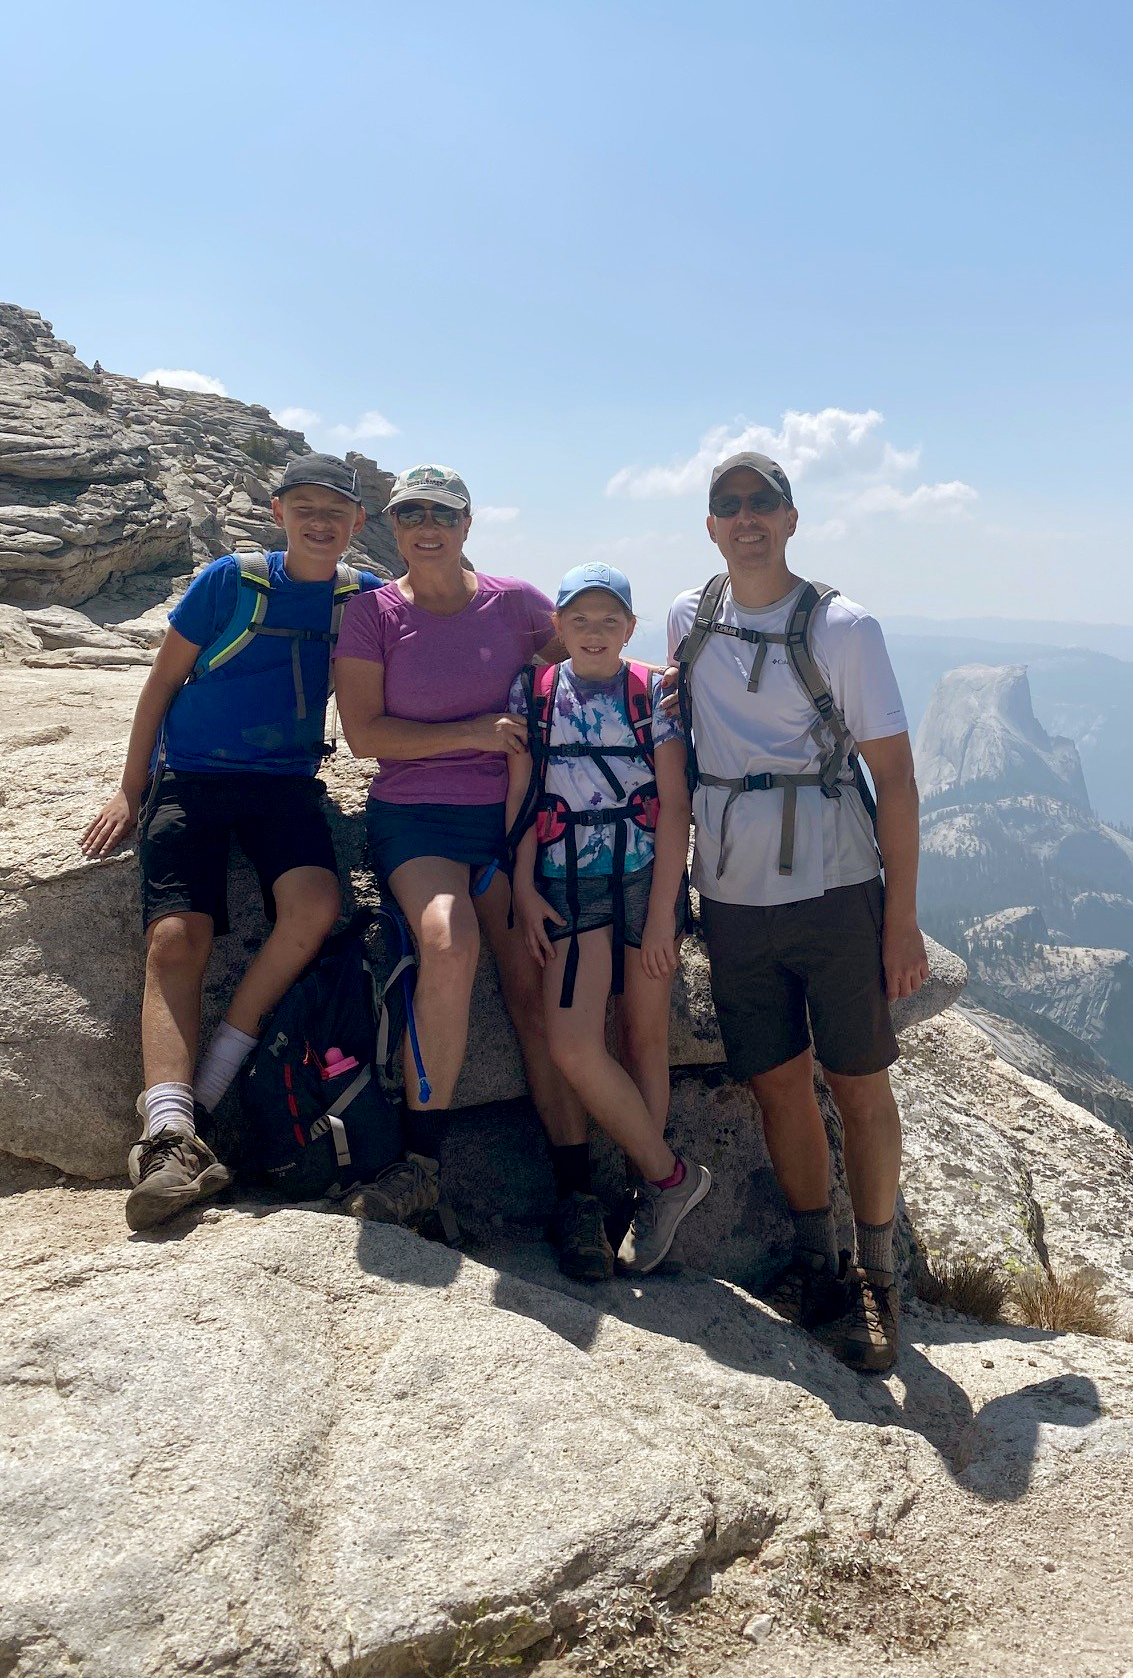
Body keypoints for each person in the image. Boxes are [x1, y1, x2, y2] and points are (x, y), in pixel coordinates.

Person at [667, 451, 929, 1371]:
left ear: (790, 518)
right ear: (710, 526)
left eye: (762, 503)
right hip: (733, 893)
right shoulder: (688, 621)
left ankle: (878, 1272)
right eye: (728, 505)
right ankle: (818, 1265)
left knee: (859, 1086)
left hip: (835, 886)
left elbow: (894, 779)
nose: (746, 518)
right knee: (778, 1081)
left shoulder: (846, 628)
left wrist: (901, 921)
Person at [80, 453, 383, 1231]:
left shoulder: (365, 600)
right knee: (177, 937)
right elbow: (161, 685)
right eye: (305, 507)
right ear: (278, 512)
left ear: (356, 523)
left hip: (283, 783)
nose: (321, 522)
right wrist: (130, 786)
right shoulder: (232, 580)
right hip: (192, 777)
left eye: (336, 511)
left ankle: (199, 1102)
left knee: (313, 906)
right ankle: (169, 1135)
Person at [333, 464, 589, 1235]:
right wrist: (472, 733)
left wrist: (668, 685)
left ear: (467, 524)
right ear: (394, 525)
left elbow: (586, 655)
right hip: (419, 821)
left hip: (510, 823)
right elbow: (365, 734)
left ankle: (576, 1189)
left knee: (533, 986)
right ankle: (420, 1168)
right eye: (410, 512)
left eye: (442, 512)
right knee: (449, 939)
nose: (426, 524)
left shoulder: (514, 604)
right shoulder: (374, 614)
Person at [506, 562, 709, 1278]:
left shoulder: (653, 692)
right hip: (568, 885)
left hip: (643, 878)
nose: (594, 633)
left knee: (644, 1037)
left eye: (609, 621)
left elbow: (676, 802)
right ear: (558, 627)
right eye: (579, 620)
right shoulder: (532, 693)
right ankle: (670, 1177)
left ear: (629, 626)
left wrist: (664, 917)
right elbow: (526, 794)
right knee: (572, 1043)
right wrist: (524, 886)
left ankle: (641, 1197)